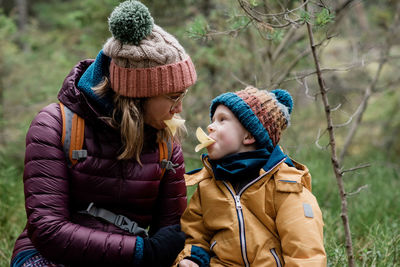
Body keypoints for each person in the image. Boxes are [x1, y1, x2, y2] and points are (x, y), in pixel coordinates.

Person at [10, 1, 197, 266]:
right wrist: (142, 251)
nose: (179, 108)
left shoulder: (167, 144)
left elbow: (170, 236)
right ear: (137, 96)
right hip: (48, 257)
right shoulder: (54, 125)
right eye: (172, 96)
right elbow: (48, 231)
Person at [176, 86, 327, 266]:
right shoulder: (207, 185)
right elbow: (195, 235)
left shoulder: (286, 186)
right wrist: (192, 258)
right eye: (212, 120)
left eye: (222, 120)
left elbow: (304, 253)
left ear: (248, 135)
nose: (210, 126)